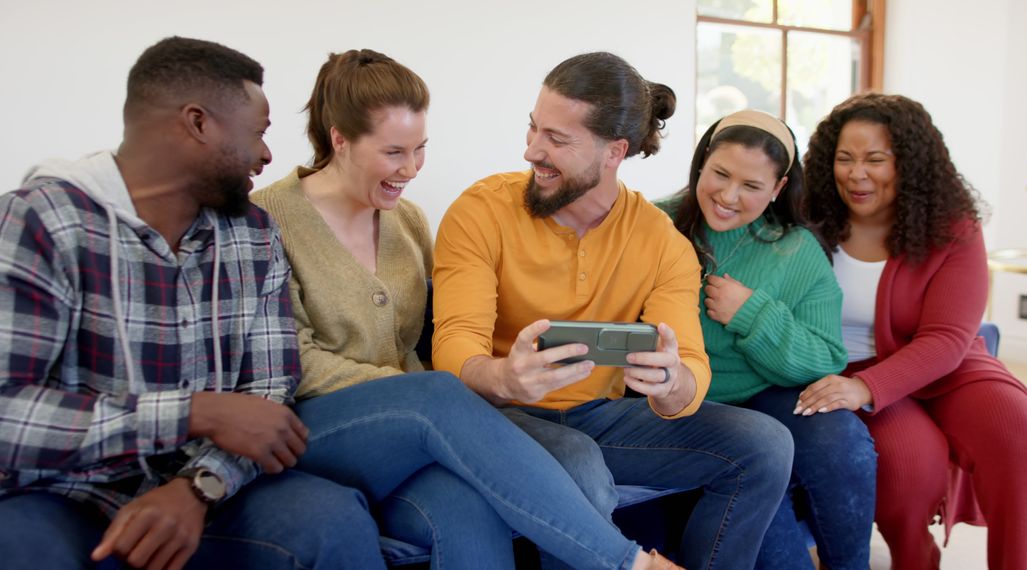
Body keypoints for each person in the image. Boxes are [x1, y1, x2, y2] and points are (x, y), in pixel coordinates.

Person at [251, 49, 680, 570]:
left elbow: (428, 335)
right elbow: (295, 364)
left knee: (470, 508)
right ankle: (627, 562)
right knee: (438, 391)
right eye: (393, 152)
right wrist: (416, 389)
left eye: (420, 149)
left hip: (412, 430)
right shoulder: (268, 219)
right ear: (340, 139)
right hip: (312, 430)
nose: (410, 169)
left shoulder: (407, 220)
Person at [0, 37, 381, 569]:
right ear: (198, 123)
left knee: (329, 519)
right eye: (258, 133)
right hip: (64, 495)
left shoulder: (252, 233)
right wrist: (191, 413)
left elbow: (268, 395)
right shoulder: (43, 221)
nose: (267, 155)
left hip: (208, 486)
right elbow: (7, 414)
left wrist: (199, 487)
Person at [432, 52, 795, 570]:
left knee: (765, 445)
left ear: (614, 151)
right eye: (534, 129)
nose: (532, 150)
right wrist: (503, 378)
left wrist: (671, 384)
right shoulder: (481, 211)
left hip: (594, 416)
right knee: (576, 463)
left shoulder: (661, 242)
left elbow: (691, 366)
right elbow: (453, 344)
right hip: (495, 415)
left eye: (557, 140)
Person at [799, 92, 1027, 569]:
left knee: (1018, 436)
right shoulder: (807, 221)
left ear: (910, 164)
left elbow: (947, 340)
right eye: (845, 158)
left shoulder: (951, 226)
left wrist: (866, 388)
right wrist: (859, 385)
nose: (857, 174)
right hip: (850, 369)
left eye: (876, 159)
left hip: (944, 364)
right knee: (910, 468)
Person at [658, 110, 877, 569]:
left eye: (752, 186)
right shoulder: (655, 223)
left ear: (778, 189)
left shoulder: (795, 248)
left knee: (843, 441)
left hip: (762, 396)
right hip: (677, 404)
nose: (727, 196)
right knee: (763, 492)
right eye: (719, 174)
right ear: (701, 164)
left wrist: (752, 315)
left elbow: (826, 355)